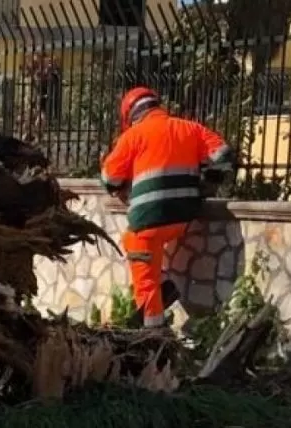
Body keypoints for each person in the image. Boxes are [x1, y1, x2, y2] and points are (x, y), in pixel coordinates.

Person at [100, 87, 235, 329]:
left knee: (141, 264)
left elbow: (110, 178)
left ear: (130, 115)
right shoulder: (189, 128)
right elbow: (223, 154)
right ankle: (164, 287)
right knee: (151, 250)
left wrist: (122, 186)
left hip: (149, 219)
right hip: (184, 217)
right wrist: (209, 183)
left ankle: (152, 330)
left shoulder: (132, 136)